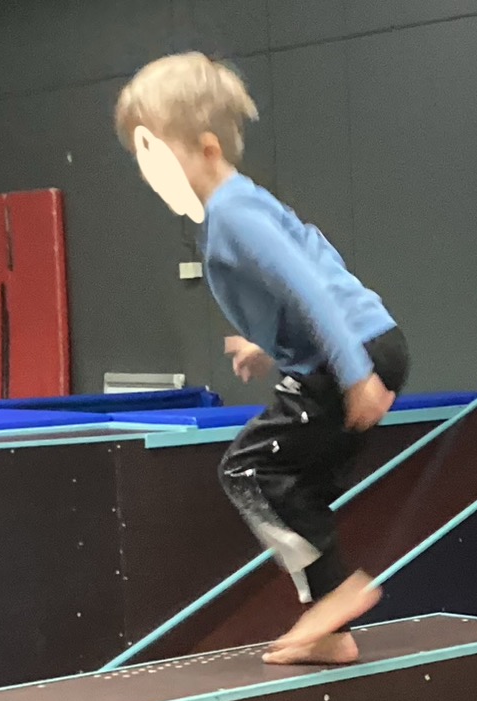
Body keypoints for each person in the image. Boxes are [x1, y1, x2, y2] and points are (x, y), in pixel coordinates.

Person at [113, 52, 407, 666]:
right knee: (295, 485)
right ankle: (331, 630)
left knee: (249, 470)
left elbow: (310, 286)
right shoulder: (237, 208)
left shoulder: (233, 212)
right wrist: (264, 344)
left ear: (208, 148)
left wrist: (355, 374)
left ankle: (337, 595)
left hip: (348, 359)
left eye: (159, 159)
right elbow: (312, 262)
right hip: (359, 346)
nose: (151, 177)